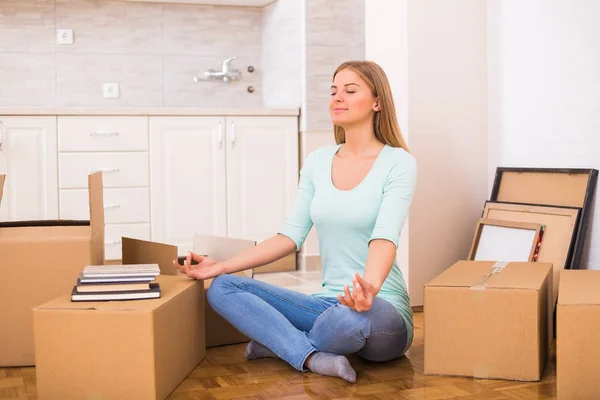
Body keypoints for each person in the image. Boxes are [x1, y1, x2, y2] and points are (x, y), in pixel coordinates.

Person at [173, 60, 417, 384]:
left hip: (380, 308)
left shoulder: (399, 162)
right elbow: (289, 237)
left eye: (350, 90)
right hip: (326, 306)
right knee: (223, 288)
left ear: (377, 102)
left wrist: (368, 289)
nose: (337, 98)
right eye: (333, 91)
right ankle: (312, 356)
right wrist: (221, 266)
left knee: (352, 321)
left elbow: (385, 236)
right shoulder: (318, 162)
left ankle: (280, 344)